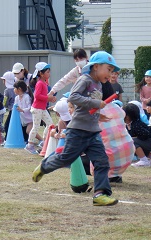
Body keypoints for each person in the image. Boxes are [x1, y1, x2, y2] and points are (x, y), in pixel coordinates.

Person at [32, 51, 120, 206]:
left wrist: (99, 115)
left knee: (102, 162)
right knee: (66, 157)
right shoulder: (85, 79)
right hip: (78, 130)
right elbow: (73, 97)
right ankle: (44, 167)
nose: (110, 74)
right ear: (96, 67)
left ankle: (100, 194)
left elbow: (90, 107)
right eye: (109, 69)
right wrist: (95, 104)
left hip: (93, 131)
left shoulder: (99, 84)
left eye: (112, 71)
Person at [24, 62, 55, 154]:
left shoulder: (44, 83)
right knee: (36, 126)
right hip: (37, 108)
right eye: (47, 72)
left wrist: (50, 98)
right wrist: (48, 98)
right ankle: (29, 145)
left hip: (42, 108)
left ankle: (44, 141)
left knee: (50, 124)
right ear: (41, 73)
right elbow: (37, 96)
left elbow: (43, 96)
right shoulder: (40, 83)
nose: (49, 74)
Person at [123, 103, 151, 168]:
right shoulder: (130, 124)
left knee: (131, 141)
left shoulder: (136, 125)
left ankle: (144, 160)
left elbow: (145, 135)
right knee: (132, 143)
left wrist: (134, 138)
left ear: (127, 116)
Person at [1, 71, 17, 143]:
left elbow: (5, 102)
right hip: (19, 109)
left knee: (7, 126)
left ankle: (7, 139)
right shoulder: (16, 88)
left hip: (12, 110)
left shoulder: (7, 91)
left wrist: (4, 105)